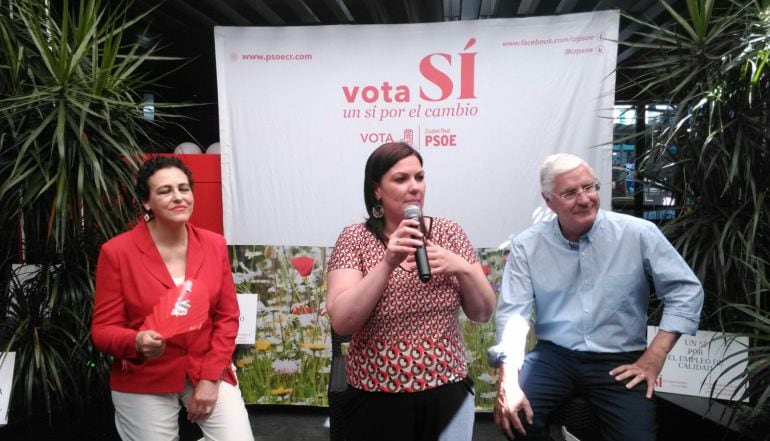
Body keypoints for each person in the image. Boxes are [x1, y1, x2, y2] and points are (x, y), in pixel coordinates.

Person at [489, 153, 704, 441]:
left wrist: (655, 356)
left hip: (618, 357)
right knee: (516, 418)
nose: (584, 199)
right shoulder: (528, 245)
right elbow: (514, 315)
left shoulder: (638, 233)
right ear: (549, 200)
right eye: (569, 193)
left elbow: (685, 289)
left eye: (589, 187)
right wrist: (508, 379)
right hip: (555, 355)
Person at [326, 142, 496, 441]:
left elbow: (483, 313)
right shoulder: (354, 238)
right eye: (401, 179)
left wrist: (463, 268)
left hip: (447, 389)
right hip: (375, 393)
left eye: (419, 177)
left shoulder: (449, 232)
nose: (415, 187)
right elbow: (342, 321)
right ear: (377, 190)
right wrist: (387, 262)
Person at [91, 156, 254, 441]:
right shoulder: (117, 252)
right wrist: (135, 342)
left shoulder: (214, 244)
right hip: (144, 376)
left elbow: (227, 317)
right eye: (165, 191)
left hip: (204, 366)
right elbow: (102, 331)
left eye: (184, 188)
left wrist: (210, 377)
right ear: (146, 202)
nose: (178, 197)